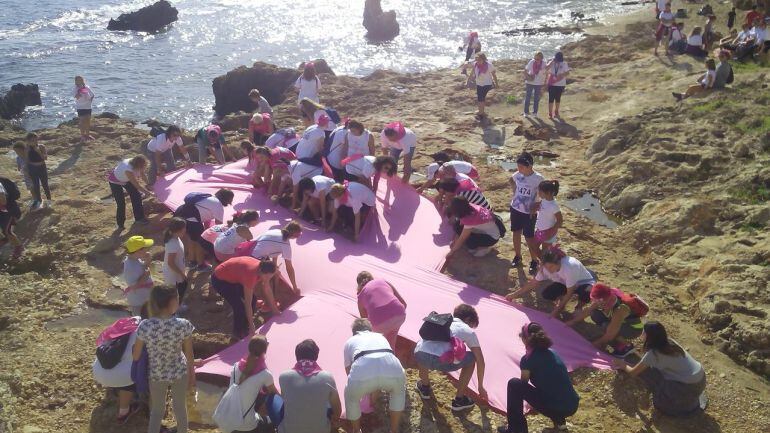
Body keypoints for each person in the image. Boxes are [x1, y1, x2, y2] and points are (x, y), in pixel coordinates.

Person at [133, 286, 195, 433]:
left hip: (156, 374)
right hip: (179, 372)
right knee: (180, 408)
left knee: (156, 411)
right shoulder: (183, 325)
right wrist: (192, 375)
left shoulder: (145, 326)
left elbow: (136, 356)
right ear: (173, 302)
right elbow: (190, 354)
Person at [497, 323, 579, 433]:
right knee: (553, 389)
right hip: (572, 404)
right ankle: (560, 426)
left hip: (557, 407)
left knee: (514, 384)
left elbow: (523, 384)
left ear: (526, 339)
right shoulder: (553, 352)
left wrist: (531, 404)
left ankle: (516, 429)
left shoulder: (527, 359)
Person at [612, 321, 707, 416]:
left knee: (658, 400)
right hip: (701, 379)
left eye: (644, 332)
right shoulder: (670, 342)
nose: (642, 334)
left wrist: (622, 364)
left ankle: (680, 405)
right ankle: (689, 401)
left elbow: (633, 373)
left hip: (686, 388)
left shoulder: (653, 354)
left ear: (649, 336)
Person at [414, 304, 487, 411]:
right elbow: (480, 360)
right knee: (472, 358)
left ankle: (424, 387)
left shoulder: (439, 321)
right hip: (443, 361)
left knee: (423, 346)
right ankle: (459, 400)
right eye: (471, 324)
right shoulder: (468, 330)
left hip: (421, 356)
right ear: (468, 319)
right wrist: (480, 386)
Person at [343, 318, 406, 433]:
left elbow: (348, 371)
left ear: (354, 332)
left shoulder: (350, 341)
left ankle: (356, 430)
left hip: (362, 369)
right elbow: (380, 367)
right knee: (398, 394)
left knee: (351, 398)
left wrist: (362, 390)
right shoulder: (380, 337)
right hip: (393, 368)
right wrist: (373, 393)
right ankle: (394, 430)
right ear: (370, 330)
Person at [506, 246, 597, 318]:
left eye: (551, 267)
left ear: (558, 262)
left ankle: (579, 307)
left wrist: (556, 311)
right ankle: (560, 299)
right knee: (547, 294)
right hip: (565, 282)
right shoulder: (545, 268)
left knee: (587, 292)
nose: (549, 270)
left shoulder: (569, 267)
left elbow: (570, 292)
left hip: (583, 280)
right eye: (546, 267)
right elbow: (533, 283)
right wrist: (513, 295)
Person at [278, 339, 342, 433]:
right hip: (321, 430)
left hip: (289, 430)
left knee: (274, 399)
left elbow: (284, 398)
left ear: (297, 356)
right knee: (328, 399)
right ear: (316, 356)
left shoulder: (284, 376)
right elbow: (338, 411)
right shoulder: (327, 377)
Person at [566, 283, 645, 358]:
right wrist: (572, 322)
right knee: (595, 314)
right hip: (618, 321)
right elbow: (589, 311)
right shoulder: (603, 298)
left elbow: (609, 335)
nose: (594, 302)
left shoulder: (620, 309)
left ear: (603, 300)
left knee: (606, 326)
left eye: (596, 301)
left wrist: (591, 346)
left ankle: (627, 345)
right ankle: (606, 333)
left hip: (633, 329)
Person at [92, 315, 143, 425]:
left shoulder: (126, 322)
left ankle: (115, 388)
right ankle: (124, 412)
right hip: (120, 377)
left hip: (98, 371)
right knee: (134, 377)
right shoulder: (145, 331)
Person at [211, 257, 278, 337]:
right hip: (220, 280)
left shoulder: (263, 267)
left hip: (235, 277)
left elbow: (267, 288)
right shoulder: (251, 275)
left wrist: (275, 310)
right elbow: (247, 303)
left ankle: (246, 325)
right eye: (267, 277)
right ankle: (238, 332)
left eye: (270, 277)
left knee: (253, 300)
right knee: (239, 306)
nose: (268, 279)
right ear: (261, 272)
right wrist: (252, 325)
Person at [173, 188, 234, 272]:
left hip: (180, 214)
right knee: (200, 243)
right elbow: (219, 226)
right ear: (226, 200)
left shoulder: (209, 197)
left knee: (192, 240)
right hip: (192, 219)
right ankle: (201, 265)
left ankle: (192, 262)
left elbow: (205, 218)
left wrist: (205, 232)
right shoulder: (218, 206)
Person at [228, 335, 279, 433]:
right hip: (249, 427)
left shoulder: (235, 367)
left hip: (231, 422)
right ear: (266, 349)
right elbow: (276, 395)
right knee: (272, 418)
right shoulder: (265, 374)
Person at [509, 152, 544, 274]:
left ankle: (534, 260)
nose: (519, 169)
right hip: (515, 209)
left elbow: (543, 194)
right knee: (516, 232)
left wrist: (537, 204)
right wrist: (514, 191)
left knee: (529, 237)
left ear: (530, 166)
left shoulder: (538, 178)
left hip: (529, 213)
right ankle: (518, 256)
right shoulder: (517, 175)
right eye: (518, 166)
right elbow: (511, 180)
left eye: (521, 167)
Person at [247, 222, 303, 294]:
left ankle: (273, 291)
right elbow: (289, 268)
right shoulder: (285, 244)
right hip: (253, 259)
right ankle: (273, 293)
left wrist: (274, 266)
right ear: (295, 234)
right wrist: (295, 287)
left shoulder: (276, 231)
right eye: (299, 234)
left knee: (275, 270)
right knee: (276, 274)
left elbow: (274, 252)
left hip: (248, 250)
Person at [355, 271, 407, 349]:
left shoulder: (360, 296)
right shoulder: (383, 281)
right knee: (390, 346)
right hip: (399, 314)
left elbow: (365, 323)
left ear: (359, 284)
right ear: (372, 278)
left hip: (378, 324)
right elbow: (404, 304)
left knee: (378, 347)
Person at [108, 155, 152, 229]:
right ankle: (120, 224)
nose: (144, 168)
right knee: (121, 203)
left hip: (126, 179)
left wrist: (149, 184)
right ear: (138, 166)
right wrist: (148, 192)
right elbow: (137, 185)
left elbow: (142, 174)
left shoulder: (137, 162)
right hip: (115, 181)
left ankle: (139, 218)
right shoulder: (128, 169)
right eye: (144, 166)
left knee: (137, 196)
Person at [123, 235, 154, 316]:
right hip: (139, 302)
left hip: (144, 298)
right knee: (141, 321)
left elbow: (142, 269)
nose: (147, 249)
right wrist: (145, 277)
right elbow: (133, 287)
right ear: (138, 251)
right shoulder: (130, 267)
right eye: (145, 248)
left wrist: (148, 261)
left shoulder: (136, 259)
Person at [163, 217, 189, 305]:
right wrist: (181, 273)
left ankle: (178, 305)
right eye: (184, 228)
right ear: (178, 230)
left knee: (182, 287)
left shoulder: (176, 238)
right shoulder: (172, 244)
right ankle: (174, 311)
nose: (185, 230)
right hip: (173, 274)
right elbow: (170, 263)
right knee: (175, 292)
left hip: (177, 271)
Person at [533, 180, 562, 257]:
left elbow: (560, 221)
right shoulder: (544, 200)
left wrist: (551, 232)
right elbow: (541, 205)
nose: (538, 193)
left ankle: (545, 266)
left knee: (545, 253)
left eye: (540, 191)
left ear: (548, 192)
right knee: (533, 247)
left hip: (548, 233)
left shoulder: (554, 206)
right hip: (539, 230)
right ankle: (544, 263)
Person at [23, 133, 51, 210]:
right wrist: (26, 170)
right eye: (32, 140)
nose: (35, 142)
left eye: (36, 139)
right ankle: (39, 200)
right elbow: (27, 160)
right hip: (32, 168)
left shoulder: (41, 146)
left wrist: (38, 151)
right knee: (36, 185)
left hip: (42, 167)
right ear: (28, 141)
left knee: (45, 184)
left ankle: (49, 200)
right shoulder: (27, 148)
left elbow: (45, 158)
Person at [467, 53, 498, 118]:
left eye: (479, 60)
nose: (478, 61)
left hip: (487, 84)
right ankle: (481, 111)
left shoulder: (489, 65)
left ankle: (481, 112)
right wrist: (468, 80)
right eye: (476, 59)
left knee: (481, 98)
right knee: (480, 98)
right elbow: (472, 72)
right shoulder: (475, 64)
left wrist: (496, 84)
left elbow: (494, 75)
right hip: (479, 83)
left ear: (483, 59)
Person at [0, 177, 23, 259]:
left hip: (9, 210)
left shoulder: (2, 183)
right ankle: (4, 239)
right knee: (4, 231)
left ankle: (18, 247)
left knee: (7, 231)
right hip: (3, 212)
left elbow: (3, 201)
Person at [545, 52, 570, 119]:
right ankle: (550, 113)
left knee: (558, 98)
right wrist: (551, 62)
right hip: (552, 83)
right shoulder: (552, 62)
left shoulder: (564, 63)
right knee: (551, 98)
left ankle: (556, 111)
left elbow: (567, 72)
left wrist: (560, 75)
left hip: (561, 84)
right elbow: (546, 68)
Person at [523, 52, 547, 116]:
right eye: (535, 58)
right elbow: (525, 71)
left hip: (538, 83)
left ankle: (535, 112)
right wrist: (528, 77)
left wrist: (544, 82)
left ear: (541, 58)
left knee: (536, 98)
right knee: (528, 97)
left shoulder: (544, 63)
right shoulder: (531, 62)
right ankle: (526, 112)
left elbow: (546, 72)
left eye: (538, 59)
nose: (536, 60)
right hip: (530, 82)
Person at [74, 75, 95, 143]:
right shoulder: (75, 88)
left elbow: (92, 95)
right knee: (82, 122)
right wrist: (79, 92)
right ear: (76, 81)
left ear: (83, 80)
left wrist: (90, 101)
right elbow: (76, 97)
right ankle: (82, 136)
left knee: (88, 121)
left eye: (80, 80)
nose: (79, 81)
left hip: (88, 107)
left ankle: (88, 135)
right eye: (77, 80)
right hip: (80, 107)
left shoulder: (86, 87)